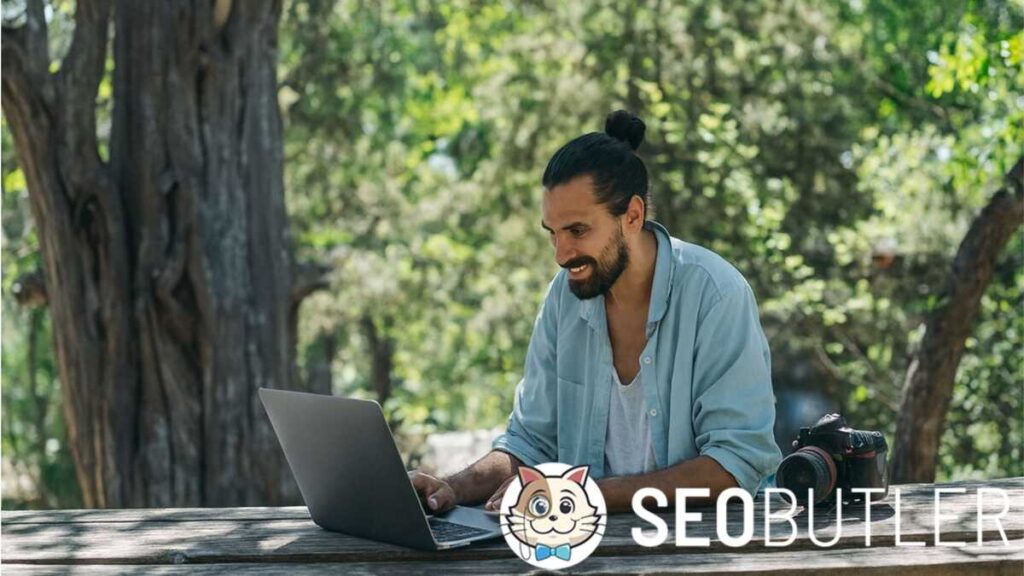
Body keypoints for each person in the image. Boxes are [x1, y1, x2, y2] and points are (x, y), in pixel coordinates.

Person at [409, 110, 782, 513]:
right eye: (553, 233)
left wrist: (583, 493)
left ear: (633, 216)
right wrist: (450, 488)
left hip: (703, 553)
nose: (561, 254)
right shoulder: (564, 298)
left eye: (577, 231)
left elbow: (735, 464)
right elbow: (530, 444)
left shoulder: (716, 295)